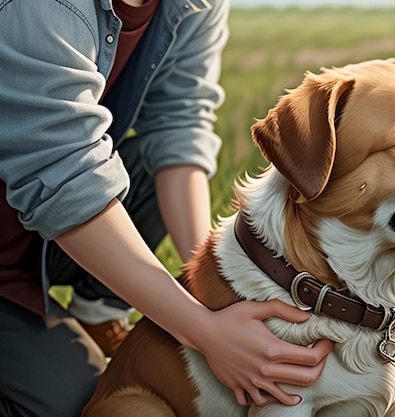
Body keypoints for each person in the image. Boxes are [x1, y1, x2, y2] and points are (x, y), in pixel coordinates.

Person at [0, 0, 333, 416]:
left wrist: (221, 298)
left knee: (152, 159)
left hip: (38, 236)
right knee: (78, 405)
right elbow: (63, 170)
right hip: (25, 231)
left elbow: (178, 123)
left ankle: (96, 310)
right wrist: (205, 333)